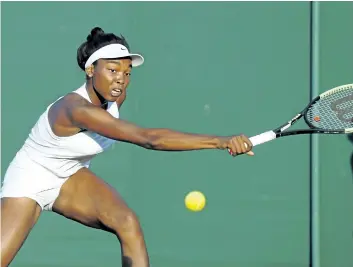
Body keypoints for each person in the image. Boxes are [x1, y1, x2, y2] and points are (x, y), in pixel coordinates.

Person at [0, 27, 254, 267]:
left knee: (127, 222)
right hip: (30, 178)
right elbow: (148, 138)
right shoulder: (75, 109)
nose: (120, 80)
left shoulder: (115, 97)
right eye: (112, 70)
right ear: (90, 70)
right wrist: (220, 142)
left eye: (127, 72)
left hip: (69, 174)